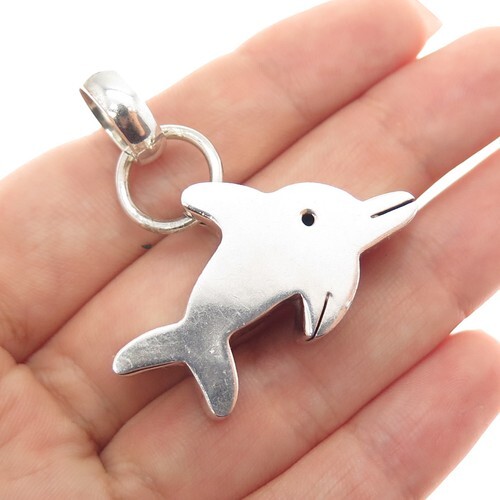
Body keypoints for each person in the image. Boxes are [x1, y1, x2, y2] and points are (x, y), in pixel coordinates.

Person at [0, 0, 498, 497]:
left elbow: (321, 312)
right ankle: (196, 341)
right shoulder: (274, 219)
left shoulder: (334, 255)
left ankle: (197, 343)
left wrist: (316, 313)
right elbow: (220, 211)